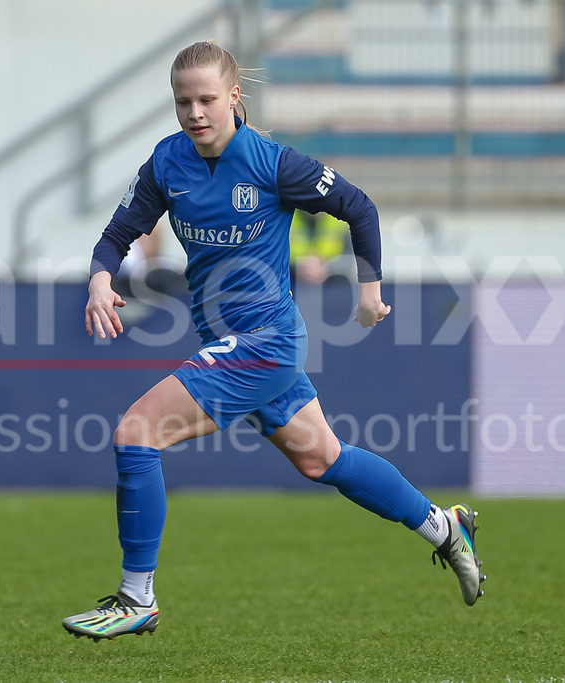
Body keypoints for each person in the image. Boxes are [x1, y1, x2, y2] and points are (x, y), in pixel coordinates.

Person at [63, 41, 485, 641]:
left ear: (235, 97)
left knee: (136, 433)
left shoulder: (273, 163)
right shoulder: (166, 163)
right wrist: (101, 280)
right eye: (183, 101)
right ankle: (445, 528)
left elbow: (358, 208)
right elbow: (116, 234)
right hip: (238, 343)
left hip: (264, 341)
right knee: (323, 459)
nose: (195, 112)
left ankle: (137, 599)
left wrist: (369, 292)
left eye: (207, 99)